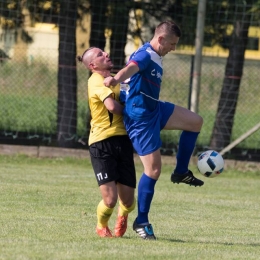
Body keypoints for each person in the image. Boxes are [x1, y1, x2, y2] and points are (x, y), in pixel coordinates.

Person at [104, 21, 204, 240]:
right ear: (160, 39)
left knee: (195, 121)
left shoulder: (156, 54)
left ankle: (180, 172)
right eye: (172, 44)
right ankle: (142, 221)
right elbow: (130, 67)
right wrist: (115, 79)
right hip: (140, 118)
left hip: (154, 108)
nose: (173, 48)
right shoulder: (146, 54)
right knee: (154, 171)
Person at [77, 47, 136, 238]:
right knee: (110, 200)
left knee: (128, 202)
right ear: (93, 66)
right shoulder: (95, 81)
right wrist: (135, 114)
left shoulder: (118, 80)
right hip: (101, 142)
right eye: (100, 55)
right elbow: (112, 107)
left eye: (105, 52)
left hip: (123, 141)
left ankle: (122, 216)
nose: (107, 54)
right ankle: (101, 225)